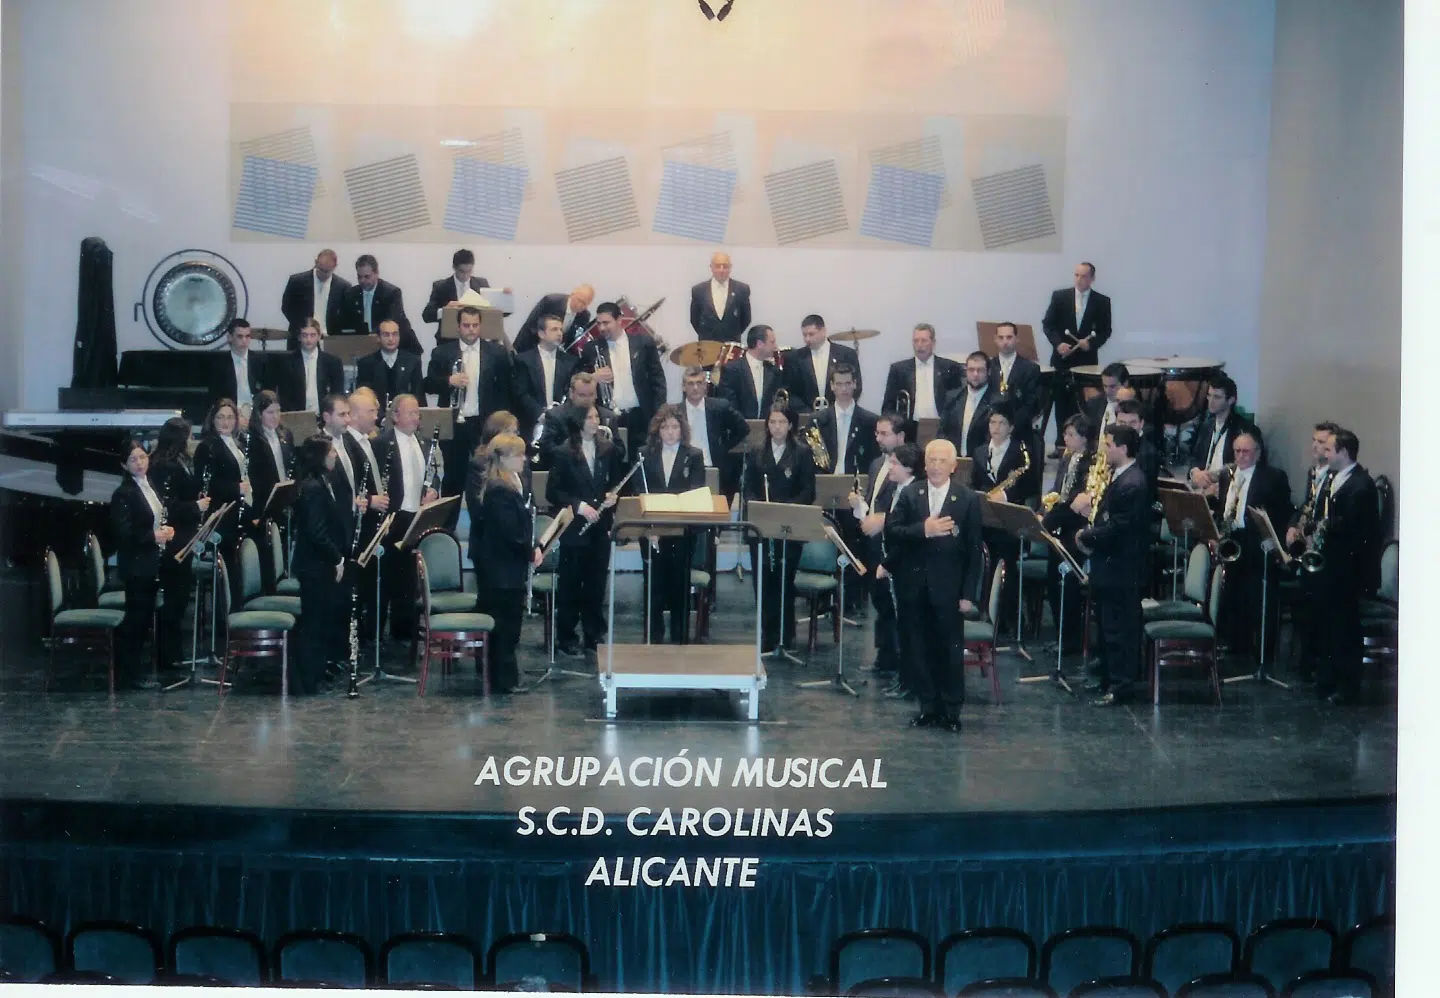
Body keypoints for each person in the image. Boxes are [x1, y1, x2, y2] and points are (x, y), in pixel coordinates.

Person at [883, 438, 982, 732]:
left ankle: (951, 711)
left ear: (953, 466)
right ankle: (927, 707)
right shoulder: (910, 493)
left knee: (949, 651)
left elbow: (974, 550)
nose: (936, 466)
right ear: (924, 465)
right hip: (914, 587)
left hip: (949, 589)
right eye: (931, 460)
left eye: (942, 461)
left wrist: (968, 594)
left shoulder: (967, 498)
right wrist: (923, 529)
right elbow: (893, 531)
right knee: (919, 648)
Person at [1075, 425, 1149, 706]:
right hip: (1110, 568)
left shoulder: (1132, 483)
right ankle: (1109, 679)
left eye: (1108, 444)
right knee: (1108, 627)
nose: (1104, 449)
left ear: (1123, 448)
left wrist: (1087, 535)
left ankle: (1121, 685)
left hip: (1121, 569)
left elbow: (1118, 527)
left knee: (1119, 629)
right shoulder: (1121, 477)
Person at [547, 405, 625, 659]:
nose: (595, 421)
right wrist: (578, 505)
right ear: (579, 421)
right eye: (590, 417)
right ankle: (567, 636)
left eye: (597, 417)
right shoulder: (563, 452)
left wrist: (613, 497)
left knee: (596, 583)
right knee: (570, 583)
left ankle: (594, 633)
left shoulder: (608, 449)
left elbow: (614, 482)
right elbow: (553, 492)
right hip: (575, 528)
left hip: (600, 527)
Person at [425, 304, 515, 524]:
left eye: (475, 325)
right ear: (458, 327)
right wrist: (449, 381)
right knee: (453, 479)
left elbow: (505, 389)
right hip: (455, 424)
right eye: (466, 325)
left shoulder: (496, 352)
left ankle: (482, 526)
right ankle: (447, 528)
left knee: (484, 477)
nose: (471, 330)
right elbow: (428, 384)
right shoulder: (442, 352)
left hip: (483, 425)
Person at [1310, 428, 1380, 706]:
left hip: (1348, 571)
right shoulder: (1334, 478)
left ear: (1344, 453)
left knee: (1344, 628)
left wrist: (1321, 527)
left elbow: (1354, 529)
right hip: (1331, 567)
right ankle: (1327, 678)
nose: (1324, 454)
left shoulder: (1361, 486)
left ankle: (1347, 686)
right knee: (1329, 626)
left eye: (1329, 450)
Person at [1212, 432, 1292, 663]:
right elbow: (1223, 507)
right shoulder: (1228, 476)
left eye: (1246, 451)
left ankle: (1263, 651)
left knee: (1258, 596)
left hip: (1257, 541)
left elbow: (1282, 512)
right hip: (1233, 539)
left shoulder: (1273, 477)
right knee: (1234, 592)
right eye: (1237, 451)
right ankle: (1237, 643)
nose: (1241, 456)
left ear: (1257, 453)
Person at [744, 402, 817, 652]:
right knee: (763, 582)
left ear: (790, 425)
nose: (777, 427)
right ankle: (767, 633)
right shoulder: (756, 451)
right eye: (772, 422)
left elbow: (808, 490)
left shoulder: (802, 452)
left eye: (782, 422)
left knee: (784, 580)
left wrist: (785, 508)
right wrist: (760, 506)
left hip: (789, 526)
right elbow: (748, 488)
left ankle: (786, 634)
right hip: (762, 527)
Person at [475, 433, 544, 693]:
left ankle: (507, 677)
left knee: (509, 624)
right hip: (501, 569)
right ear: (504, 458)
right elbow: (511, 532)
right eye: (519, 454)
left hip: (507, 567)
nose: (524, 459)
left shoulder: (508, 483)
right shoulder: (499, 490)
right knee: (505, 625)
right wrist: (530, 551)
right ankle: (504, 681)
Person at [290, 436, 358, 695]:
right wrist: (337, 558)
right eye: (331, 452)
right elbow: (317, 532)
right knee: (313, 623)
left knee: (320, 621)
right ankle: (307, 681)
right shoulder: (313, 488)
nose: (335, 456)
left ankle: (316, 674)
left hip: (320, 564)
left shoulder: (321, 482)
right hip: (315, 566)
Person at [853, 435, 918, 697]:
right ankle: (892, 666)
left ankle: (907, 677)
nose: (890, 467)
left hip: (903, 566)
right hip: (888, 559)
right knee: (888, 612)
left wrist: (888, 563)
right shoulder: (899, 490)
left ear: (909, 468)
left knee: (905, 622)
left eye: (895, 463)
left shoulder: (914, 492)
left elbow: (905, 530)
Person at [810, 363, 877, 613]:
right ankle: (822, 599)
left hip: (854, 492)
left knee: (853, 542)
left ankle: (850, 599)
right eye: (839, 384)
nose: (844, 389)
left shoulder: (869, 420)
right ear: (831, 387)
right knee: (824, 542)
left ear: (855, 384)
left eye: (848, 383)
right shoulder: (818, 420)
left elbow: (871, 460)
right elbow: (814, 458)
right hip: (826, 489)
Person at [109, 440, 175, 690]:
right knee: (136, 620)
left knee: (144, 618)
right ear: (124, 465)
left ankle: (133, 671)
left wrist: (165, 530)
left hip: (150, 561)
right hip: (136, 564)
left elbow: (155, 518)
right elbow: (123, 532)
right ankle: (129, 674)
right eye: (133, 459)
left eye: (143, 457)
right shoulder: (123, 493)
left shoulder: (150, 485)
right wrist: (153, 536)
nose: (139, 463)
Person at [638, 405, 707, 644]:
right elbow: (640, 491)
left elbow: (696, 491)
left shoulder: (694, 455)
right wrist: (651, 529)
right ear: (657, 430)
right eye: (665, 427)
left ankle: (680, 639)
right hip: (652, 532)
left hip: (681, 531)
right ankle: (653, 638)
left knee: (680, 586)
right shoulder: (644, 454)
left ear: (682, 429)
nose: (670, 432)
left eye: (675, 427)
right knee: (653, 586)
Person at [148, 417, 212, 674]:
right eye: (188, 437)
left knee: (181, 595)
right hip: (174, 535)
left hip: (185, 533)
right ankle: (167, 655)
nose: (191, 441)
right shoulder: (163, 465)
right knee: (174, 596)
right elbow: (167, 505)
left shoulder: (181, 461)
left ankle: (174, 652)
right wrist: (195, 506)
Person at [376, 395, 440, 642]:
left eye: (417, 413)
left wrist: (433, 490)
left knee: (410, 576)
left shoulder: (423, 442)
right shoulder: (382, 443)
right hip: (394, 517)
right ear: (395, 416)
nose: (416, 418)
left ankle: (405, 629)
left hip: (417, 516)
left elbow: (432, 474)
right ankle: (380, 631)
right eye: (410, 413)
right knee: (390, 574)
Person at [971, 401, 1038, 634]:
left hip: (1009, 520)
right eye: (992, 422)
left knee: (1007, 566)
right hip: (986, 519)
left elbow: (1030, 485)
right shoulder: (980, 451)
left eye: (1001, 423)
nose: (996, 427)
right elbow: (974, 482)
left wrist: (1006, 494)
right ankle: (983, 612)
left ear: (1011, 428)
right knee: (983, 564)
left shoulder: (1021, 452)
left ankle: (1005, 618)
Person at [1285, 422, 1339, 682]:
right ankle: (1305, 659)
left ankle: (1314, 660)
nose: (1316, 446)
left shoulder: (1334, 477)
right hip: (1307, 547)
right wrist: (1293, 526)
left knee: (1317, 608)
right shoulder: (1313, 472)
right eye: (1314, 440)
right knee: (1303, 603)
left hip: (1323, 552)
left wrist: (1310, 534)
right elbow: (1306, 506)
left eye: (1322, 442)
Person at [581, 301, 667, 453]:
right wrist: (593, 377)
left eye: (606, 323)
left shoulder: (644, 343)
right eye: (599, 324)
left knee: (641, 460)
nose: (601, 328)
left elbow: (658, 380)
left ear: (619, 320)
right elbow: (578, 382)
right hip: (608, 418)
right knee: (613, 461)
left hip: (640, 416)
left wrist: (658, 415)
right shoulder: (591, 349)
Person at [1040, 415, 1093, 653]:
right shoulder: (1066, 458)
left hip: (1074, 527)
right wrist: (1043, 509)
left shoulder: (1090, 463)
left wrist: (1052, 517)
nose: (1066, 438)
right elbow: (1057, 489)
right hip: (1058, 525)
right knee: (1054, 582)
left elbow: (1076, 499)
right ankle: (1060, 635)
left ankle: (1071, 639)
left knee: (1069, 585)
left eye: (1071, 434)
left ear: (1084, 438)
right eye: (1065, 434)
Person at [344, 387, 392, 645]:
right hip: (359, 525)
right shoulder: (348, 444)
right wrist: (372, 500)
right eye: (371, 411)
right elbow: (348, 486)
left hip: (372, 523)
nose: (377, 416)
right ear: (354, 415)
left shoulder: (365, 440)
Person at [1041, 261, 1112, 433]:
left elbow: (1105, 331)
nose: (1079, 279)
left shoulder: (1102, 301)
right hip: (1062, 361)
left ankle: (1084, 441)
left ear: (1092, 279)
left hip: (1087, 364)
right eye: (1077, 275)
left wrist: (1091, 343)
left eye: (1084, 276)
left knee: (1084, 407)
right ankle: (1061, 441)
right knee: (1061, 406)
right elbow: (1048, 324)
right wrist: (1058, 344)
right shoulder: (1059, 297)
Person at [193, 398, 254, 598]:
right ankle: (228, 609)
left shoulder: (237, 443)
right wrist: (236, 488)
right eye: (220, 417)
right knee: (227, 566)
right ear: (213, 420)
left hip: (237, 509)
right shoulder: (207, 446)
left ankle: (238, 603)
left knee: (237, 562)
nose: (225, 422)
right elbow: (204, 484)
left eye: (229, 417)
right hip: (221, 513)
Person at [467, 411, 524, 599]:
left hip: (514, 550)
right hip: (491, 548)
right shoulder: (479, 464)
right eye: (508, 432)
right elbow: (478, 509)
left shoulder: (518, 463)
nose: (514, 437)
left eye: (516, 432)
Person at [245, 391, 294, 591]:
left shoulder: (285, 434)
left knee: (283, 547)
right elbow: (253, 474)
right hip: (262, 500)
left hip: (283, 498)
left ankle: (281, 584)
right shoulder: (252, 438)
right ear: (259, 414)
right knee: (266, 550)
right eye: (270, 412)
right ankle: (269, 589)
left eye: (278, 411)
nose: (275, 416)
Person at [679, 365, 748, 497]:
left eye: (699, 383)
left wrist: (723, 446)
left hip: (714, 467)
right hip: (685, 470)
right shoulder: (676, 412)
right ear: (683, 387)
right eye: (690, 383)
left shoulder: (720, 407)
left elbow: (743, 428)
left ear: (706, 386)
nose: (695, 388)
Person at [882, 323, 961, 435]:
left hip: (941, 428)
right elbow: (888, 406)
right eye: (916, 341)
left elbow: (958, 404)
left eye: (924, 341)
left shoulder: (949, 367)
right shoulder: (899, 369)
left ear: (933, 343)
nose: (919, 345)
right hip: (910, 429)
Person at [1187, 375, 1259, 496]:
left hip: (1225, 490)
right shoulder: (1206, 426)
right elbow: (1195, 458)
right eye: (1209, 395)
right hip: (1204, 488)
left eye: (1217, 397)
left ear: (1231, 400)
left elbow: (1244, 468)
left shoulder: (1245, 429)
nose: (1211, 401)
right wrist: (1195, 473)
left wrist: (1218, 484)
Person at [514, 313, 578, 444]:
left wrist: (558, 415)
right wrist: (541, 414)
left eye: (560, 329)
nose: (559, 333)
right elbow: (521, 393)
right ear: (541, 334)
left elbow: (571, 393)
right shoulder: (523, 360)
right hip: (532, 423)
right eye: (554, 329)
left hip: (562, 424)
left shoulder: (570, 361)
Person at [337, 254, 421, 354]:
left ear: (376, 273)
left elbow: (391, 321)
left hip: (400, 347)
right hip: (364, 347)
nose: (362, 281)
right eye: (359, 277)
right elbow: (344, 323)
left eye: (367, 277)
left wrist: (370, 337)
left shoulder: (391, 293)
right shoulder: (351, 294)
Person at [421, 248, 503, 344]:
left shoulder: (481, 284)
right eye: (462, 271)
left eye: (469, 271)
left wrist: (504, 298)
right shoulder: (441, 287)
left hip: (477, 340)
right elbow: (426, 316)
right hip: (449, 341)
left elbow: (495, 313)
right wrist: (445, 310)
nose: (465, 276)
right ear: (454, 268)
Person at [785, 314, 861, 410]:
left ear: (823, 331)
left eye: (811, 334)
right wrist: (806, 412)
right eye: (804, 335)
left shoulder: (846, 354)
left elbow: (856, 386)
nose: (807, 339)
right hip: (807, 413)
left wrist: (839, 409)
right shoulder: (795, 358)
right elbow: (790, 392)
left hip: (839, 412)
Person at [281, 249, 351, 345]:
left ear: (335, 267)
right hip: (302, 338)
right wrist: (303, 328)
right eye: (321, 269)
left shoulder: (343, 287)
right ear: (316, 262)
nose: (323, 274)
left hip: (329, 340)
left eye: (327, 271)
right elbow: (286, 307)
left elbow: (345, 315)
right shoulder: (297, 282)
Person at [274, 319, 343, 415]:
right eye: (304, 335)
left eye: (312, 335)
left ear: (319, 336)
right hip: (297, 415)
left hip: (326, 415)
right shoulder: (287, 362)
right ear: (299, 337)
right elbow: (284, 395)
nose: (308, 339)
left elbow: (337, 394)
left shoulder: (333, 362)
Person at [354, 319, 424, 414]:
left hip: (405, 416)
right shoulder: (366, 363)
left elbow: (419, 395)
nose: (391, 339)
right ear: (378, 338)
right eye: (386, 335)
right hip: (376, 416)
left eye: (395, 334)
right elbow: (363, 397)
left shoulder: (413, 362)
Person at [939, 352, 1000, 459]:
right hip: (954, 460)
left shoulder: (997, 402)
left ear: (989, 372)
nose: (975, 374)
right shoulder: (953, 397)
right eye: (971, 370)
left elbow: (995, 438)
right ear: (966, 371)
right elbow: (943, 431)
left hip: (983, 461)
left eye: (980, 370)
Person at [718, 324, 783, 420]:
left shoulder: (773, 371)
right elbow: (729, 403)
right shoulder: (731, 369)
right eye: (772, 342)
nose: (775, 346)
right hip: (739, 426)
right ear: (760, 344)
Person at [989, 320, 1043, 434]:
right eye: (1001, 337)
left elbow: (1032, 403)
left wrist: (1010, 425)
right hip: (990, 428)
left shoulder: (1030, 369)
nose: (1005, 342)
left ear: (1017, 339)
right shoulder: (988, 366)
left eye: (1009, 337)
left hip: (1019, 430)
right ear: (995, 339)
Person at [689, 251, 751, 343]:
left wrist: (731, 332)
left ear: (730, 267)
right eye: (718, 266)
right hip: (707, 344)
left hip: (732, 344)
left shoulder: (742, 289)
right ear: (711, 267)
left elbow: (746, 319)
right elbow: (694, 319)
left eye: (725, 266)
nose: (721, 270)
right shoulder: (698, 290)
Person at [514, 284, 595, 354]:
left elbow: (572, 341)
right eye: (580, 300)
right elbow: (532, 324)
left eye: (585, 304)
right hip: (528, 345)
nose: (581, 306)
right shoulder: (551, 302)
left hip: (551, 354)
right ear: (572, 294)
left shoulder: (584, 316)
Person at [208, 319, 265, 407]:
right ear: (230, 337)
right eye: (240, 336)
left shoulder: (259, 361)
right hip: (231, 410)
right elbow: (214, 395)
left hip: (256, 410)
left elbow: (267, 391)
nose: (244, 340)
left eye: (247, 336)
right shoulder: (220, 364)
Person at [1082, 362, 1130, 443]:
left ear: (1125, 384)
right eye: (1105, 386)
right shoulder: (1094, 404)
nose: (1108, 391)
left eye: (1112, 386)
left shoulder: (1134, 407)